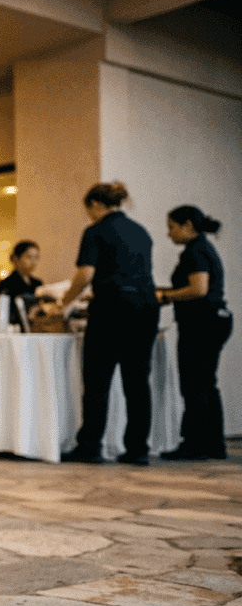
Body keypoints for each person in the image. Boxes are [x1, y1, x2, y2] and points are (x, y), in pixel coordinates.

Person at [58, 182, 160, 465]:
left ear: (95, 205)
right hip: (146, 308)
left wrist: (64, 302)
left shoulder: (96, 231)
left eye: (87, 210)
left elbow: (85, 274)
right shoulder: (141, 231)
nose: (88, 215)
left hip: (112, 309)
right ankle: (138, 450)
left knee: (98, 380)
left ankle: (90, 446)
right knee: (138, 382)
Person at [157, 206, 230, 460]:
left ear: (187, 225)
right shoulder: (202, 248)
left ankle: (195, 444)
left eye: (172, 227)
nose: (169, 234)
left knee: (195, 384)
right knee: (206, 384)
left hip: (202, 325)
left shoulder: (195, 251)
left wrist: (165, 296)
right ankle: (213, 444)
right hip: (214, 321)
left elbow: (198, 289)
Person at [0, 240, 44, 329]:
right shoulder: (6, 283)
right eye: (29, 257)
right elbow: (6, 311)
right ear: (16, 259)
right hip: (15, 328)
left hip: (35, 327)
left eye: (37, 257)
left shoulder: (38, 283)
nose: (33, 262)